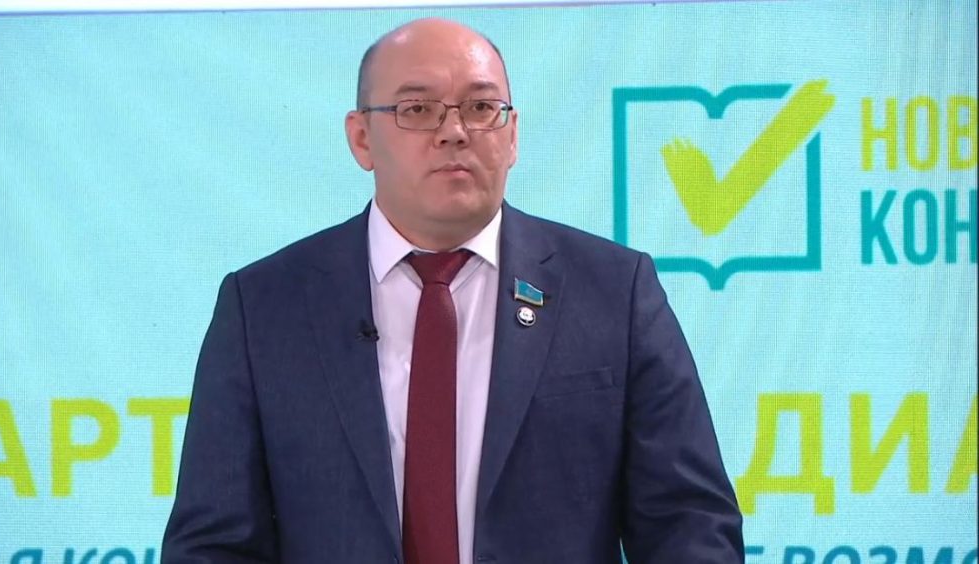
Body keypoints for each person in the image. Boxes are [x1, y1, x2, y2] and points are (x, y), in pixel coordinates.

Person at [163, 17, 743, 564]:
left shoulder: (614, 292)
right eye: (417, 109)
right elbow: (214, 544)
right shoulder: (264, 307)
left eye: (481, 107)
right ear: (361, 139)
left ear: (512, 136)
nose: (455, 132)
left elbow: (689, 522)